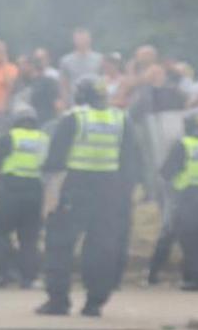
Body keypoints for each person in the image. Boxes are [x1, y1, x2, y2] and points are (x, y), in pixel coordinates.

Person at [37, 77, 145, 316]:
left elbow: (55, 160)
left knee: (60, 244)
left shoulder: (74, 117)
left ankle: (58, 301)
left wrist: (49, 192)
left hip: (75, 187)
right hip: (110, 190)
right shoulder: (120, 119)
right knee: (101, 246)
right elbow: (132, 160)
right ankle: (94, 303)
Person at [146, 110, 198, 291]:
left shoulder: (183, 145)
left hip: (188, 199)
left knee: (190, 240)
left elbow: (166, 172)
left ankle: (196, 279)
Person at [0, 105, 48, 288]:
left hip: (10, 190)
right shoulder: (43, 139)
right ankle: (28, 277)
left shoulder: (8, 138)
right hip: (35, 191)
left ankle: (5, 273)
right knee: (29, 237)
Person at [58, 28, 99, 95]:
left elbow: (103, 80)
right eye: (78, 39)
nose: (81, 41)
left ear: (89, 39)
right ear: (74, 40)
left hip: (95, 101)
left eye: (83, 38)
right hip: (74, 102)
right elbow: (63, 84)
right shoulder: (66, 61)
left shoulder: (99, 59)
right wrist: (64, 101)